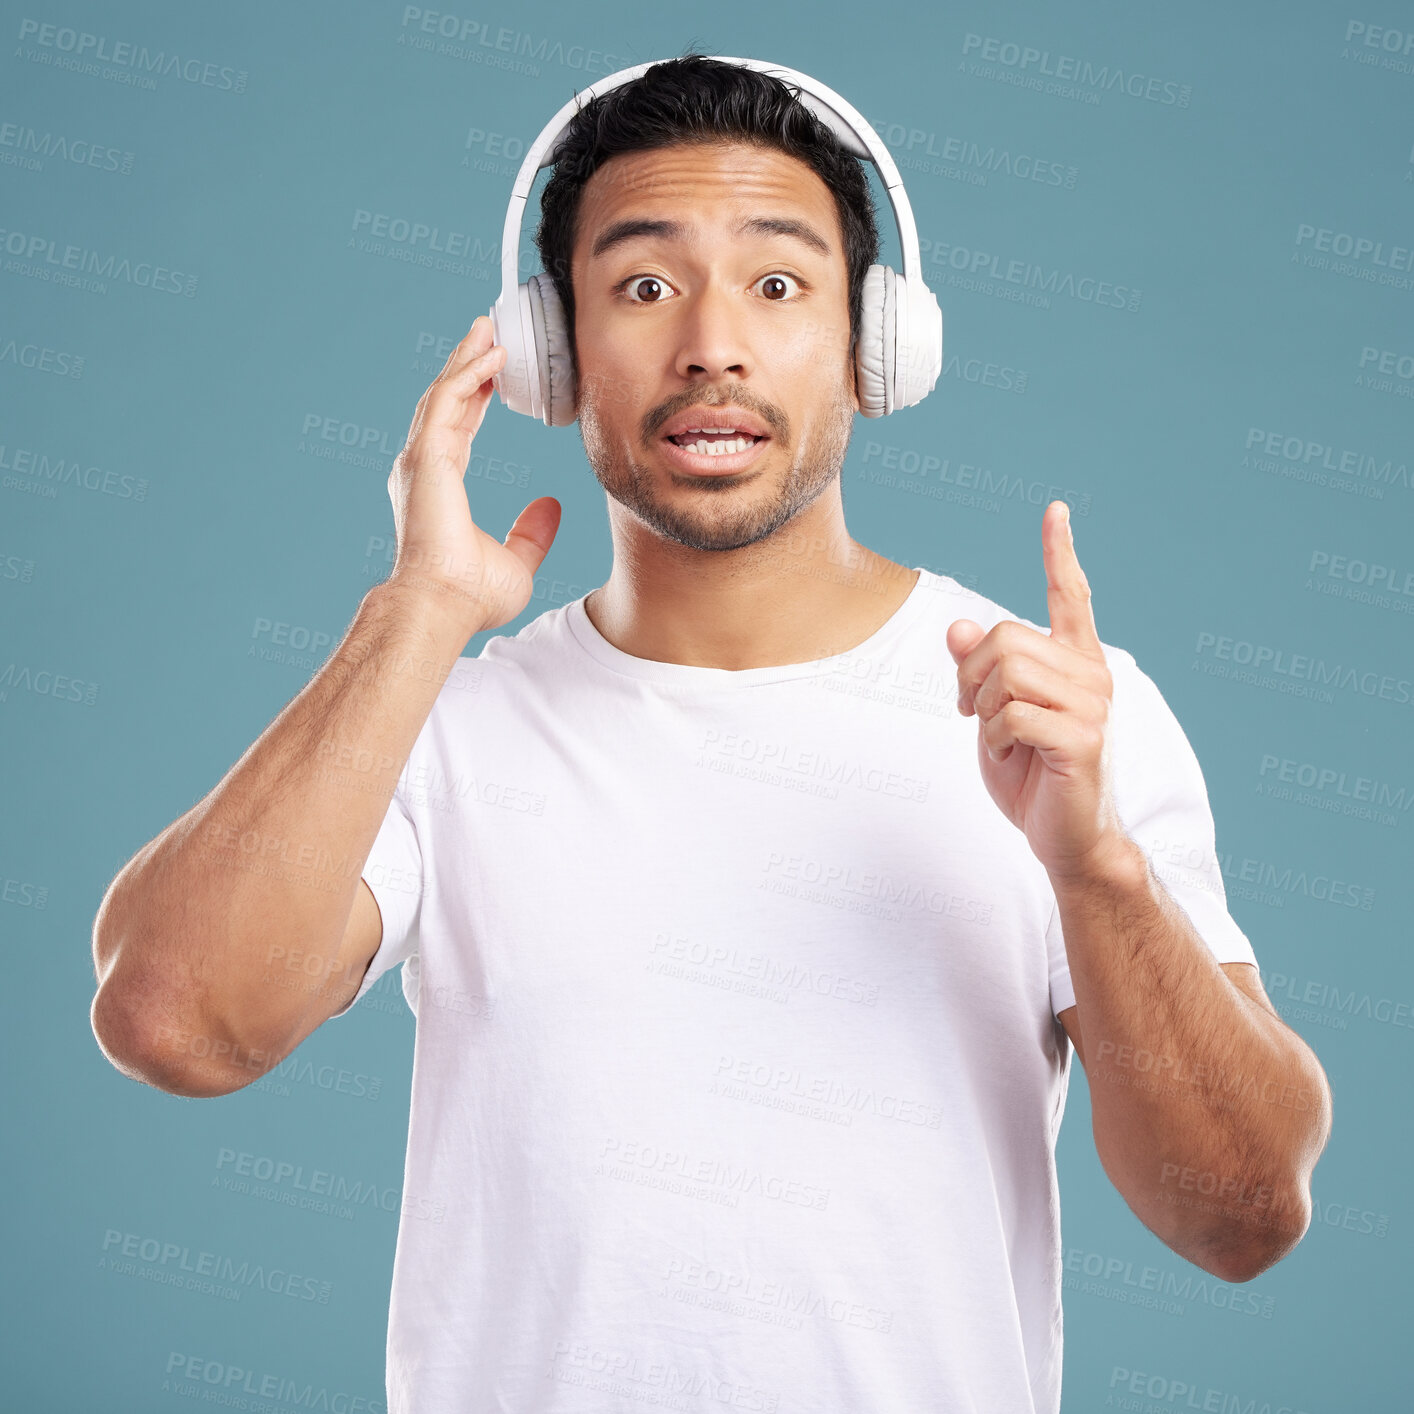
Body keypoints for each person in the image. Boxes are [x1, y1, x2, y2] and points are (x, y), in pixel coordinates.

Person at [91, 53, 1331, 1414]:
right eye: (640, 286)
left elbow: (1238, 1217)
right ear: (551, 355)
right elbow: (172, 1023)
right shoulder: (439, 728)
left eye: (778, 282)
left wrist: (1095, 873)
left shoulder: (1059, 719)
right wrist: (415, 613)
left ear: (875, 346)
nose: (711, 346)